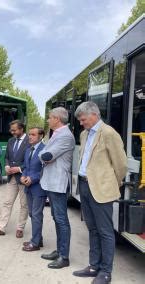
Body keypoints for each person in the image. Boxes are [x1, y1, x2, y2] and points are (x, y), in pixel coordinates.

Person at [72, 102, 127, 284]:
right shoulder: (84, 133)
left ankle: (105, 272)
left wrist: (111, 184)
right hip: (84, 186)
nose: (81, 123)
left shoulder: (109, 133)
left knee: (105, 232)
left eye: (83, 119)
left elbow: (121, 165)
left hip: (101, 189)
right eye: (80, 120)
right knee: (92, 229)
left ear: (94, 114)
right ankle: (93, 266)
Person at [39, 107, 75, 269]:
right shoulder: (57, 134)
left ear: (57, 119)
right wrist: (44, 155)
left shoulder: (65, 136)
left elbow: (46, 155)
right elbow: (45, 154)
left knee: (61, 219)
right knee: (56, 217)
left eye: (49, 118)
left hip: (58, 182)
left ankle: (64, 257)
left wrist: (43, 155)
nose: (48, 120)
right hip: (52, 182)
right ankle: (60, 251)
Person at [0, 120, 29, 237]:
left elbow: (31, 161)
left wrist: (19, 169)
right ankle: (1, 228)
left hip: (23, 177)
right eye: (11, 130)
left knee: (24, 205)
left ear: (22, 129)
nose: (12, 132)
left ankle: (20, 228)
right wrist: (6, 165)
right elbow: (6, 156)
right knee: (7, 203)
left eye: (14, 130)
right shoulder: (11, 140)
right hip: (11, 178)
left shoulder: (30, 141)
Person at [20, 127, 46, 251]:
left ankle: (35, 243)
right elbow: (25, 166)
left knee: (36, 214)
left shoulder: (45, 149)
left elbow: (44, 169)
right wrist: (23, 175)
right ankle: (38, 239)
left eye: (33, 135)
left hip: (39, 188)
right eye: (29, 134)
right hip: (28, 187)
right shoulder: (28, 150)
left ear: (41, 136)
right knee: (32, 213)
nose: (30, 137)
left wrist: (33, 178)